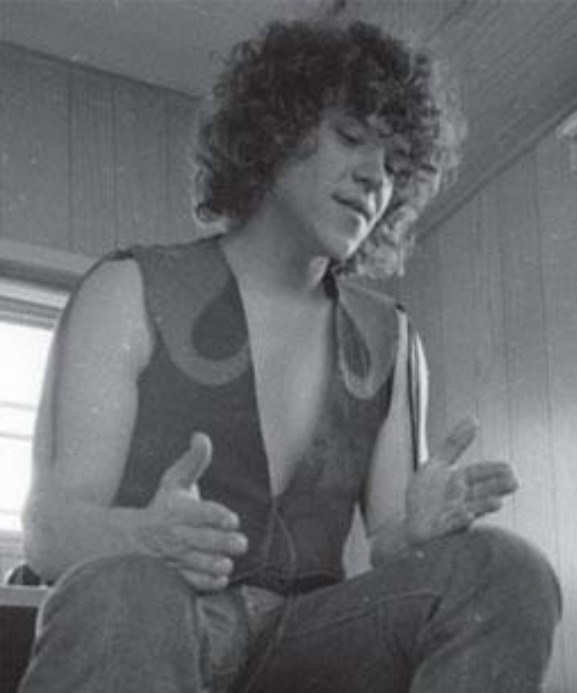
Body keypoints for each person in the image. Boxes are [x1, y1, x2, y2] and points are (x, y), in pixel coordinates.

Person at [18, 17, 560, 693]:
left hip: (312, 643)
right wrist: (142, 540)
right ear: (274, 130)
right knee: (125, 591)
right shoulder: (126, 289)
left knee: (506, 571)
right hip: (156, 617)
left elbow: (389, 546)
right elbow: (49, 530)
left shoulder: (391, 337)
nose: (374, 177)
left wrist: (416, 534)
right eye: (351, 137)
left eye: (394, 165)